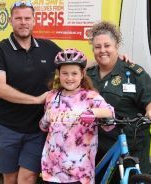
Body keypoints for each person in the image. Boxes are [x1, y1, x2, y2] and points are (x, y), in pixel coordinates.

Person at [0, 0, 62, 184]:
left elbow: (76, 62)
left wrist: (112, 59)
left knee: (28, 177)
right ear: (11, 21)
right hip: (7, 127)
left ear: (34, 20)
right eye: (18, 18)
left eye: (27, 18)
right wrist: (37, 100)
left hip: (37, 129)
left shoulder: (48, 47)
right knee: (11, 178)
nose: (23, 22)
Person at [86, 21, 151, 178]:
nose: (102, 50)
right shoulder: (88, 74)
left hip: (130, 142)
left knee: (133, 179)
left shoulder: (133, 72)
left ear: (116, 46)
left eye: (107, 46)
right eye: (98, 47)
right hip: (97, 144)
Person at [39, 48, 115, 184]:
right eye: (65, 73)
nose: (69, 78)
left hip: (79, 172)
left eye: (74, 73)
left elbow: (109, 112)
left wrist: (92, 113)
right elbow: (44, 127)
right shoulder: (52, 96)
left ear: (82, 74)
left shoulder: (90, 97)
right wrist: (46, 118)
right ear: (58, 74)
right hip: (52, 170)